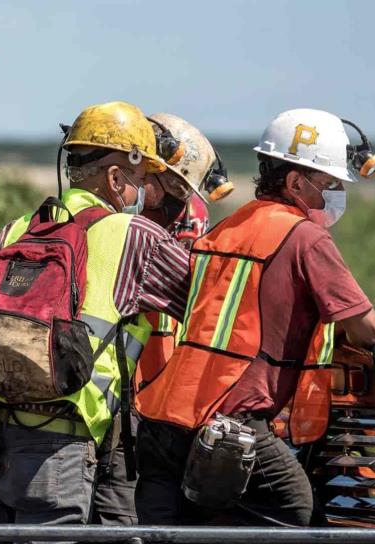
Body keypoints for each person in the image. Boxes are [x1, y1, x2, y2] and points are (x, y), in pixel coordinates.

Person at [135, 108, 375, 526]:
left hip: (163, 416)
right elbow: (368, 328)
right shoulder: (305, 236)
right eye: (330, 183)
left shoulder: (227, 227)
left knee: (183, 530)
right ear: (294, 182)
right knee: (295, 513)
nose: (338, 192)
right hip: (230, 419)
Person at [0, 101, 192, 526]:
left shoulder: (17, 229)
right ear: (117, 177)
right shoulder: (136, 236)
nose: (146, 190)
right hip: (61, 451)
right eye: (143, 177)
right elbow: (206, 303)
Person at [94, 113, 222, 525]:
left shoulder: (189, 213)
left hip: (165, 402)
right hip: (117, 404)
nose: (178, 204)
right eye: (173, 188)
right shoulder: (113, 227)